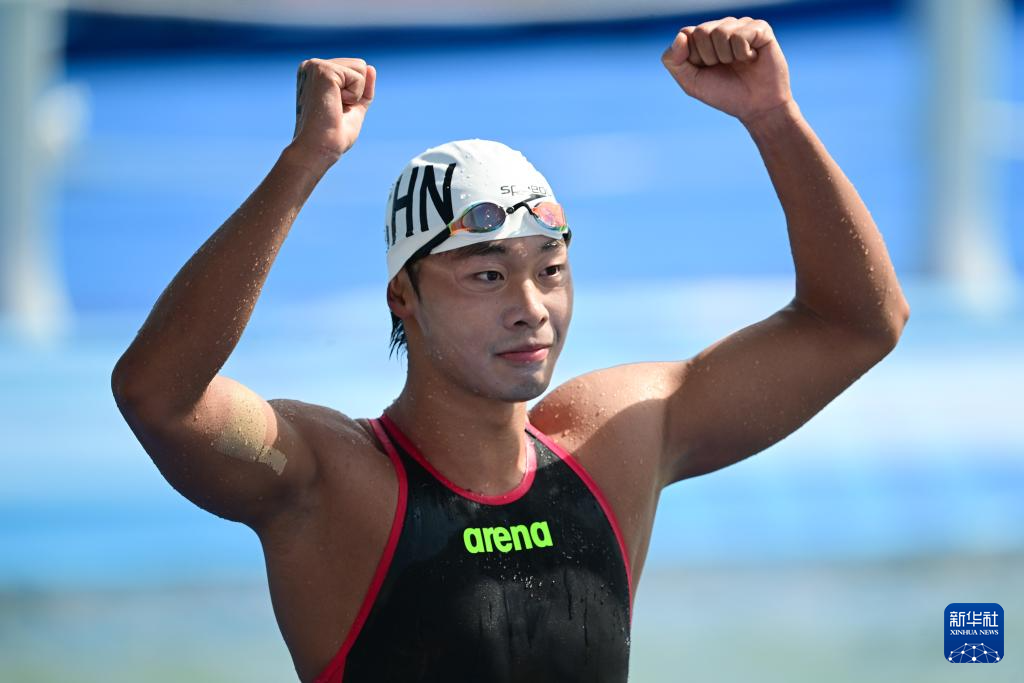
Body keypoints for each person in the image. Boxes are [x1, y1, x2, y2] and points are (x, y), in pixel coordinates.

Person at [111, 16, 910, 683]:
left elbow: (859, 323)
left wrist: (774, 117)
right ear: (402, 297)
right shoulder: (330, 483)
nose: (531, 308)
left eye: (550, 271)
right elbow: (157, 395)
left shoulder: (613, 444)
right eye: (487, 275)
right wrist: (303, 163)